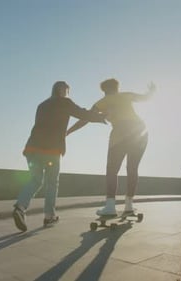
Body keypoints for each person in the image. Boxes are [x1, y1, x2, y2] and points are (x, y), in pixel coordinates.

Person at [13, 81, 107, 231]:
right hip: (51, 150)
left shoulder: (42, 105)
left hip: (32, 148)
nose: (66, 93)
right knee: (52, 183)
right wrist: (100, 116)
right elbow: (82, 113)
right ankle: (49, 216)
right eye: (66, 90)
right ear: (63, 90)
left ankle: (20, 207)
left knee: (36, 180)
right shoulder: (64, 102)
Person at [67, 78, 155, 216]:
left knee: (112, 169)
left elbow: (86, 118)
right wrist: (152, 90)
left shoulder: (104, 101)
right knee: (132, 168)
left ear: (105, 90)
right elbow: (146, 97)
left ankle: (110, 206)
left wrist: (68, 131)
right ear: (117, 87)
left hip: (121, 130)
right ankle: (129, 205)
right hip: (141, 131)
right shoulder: (126, 95)